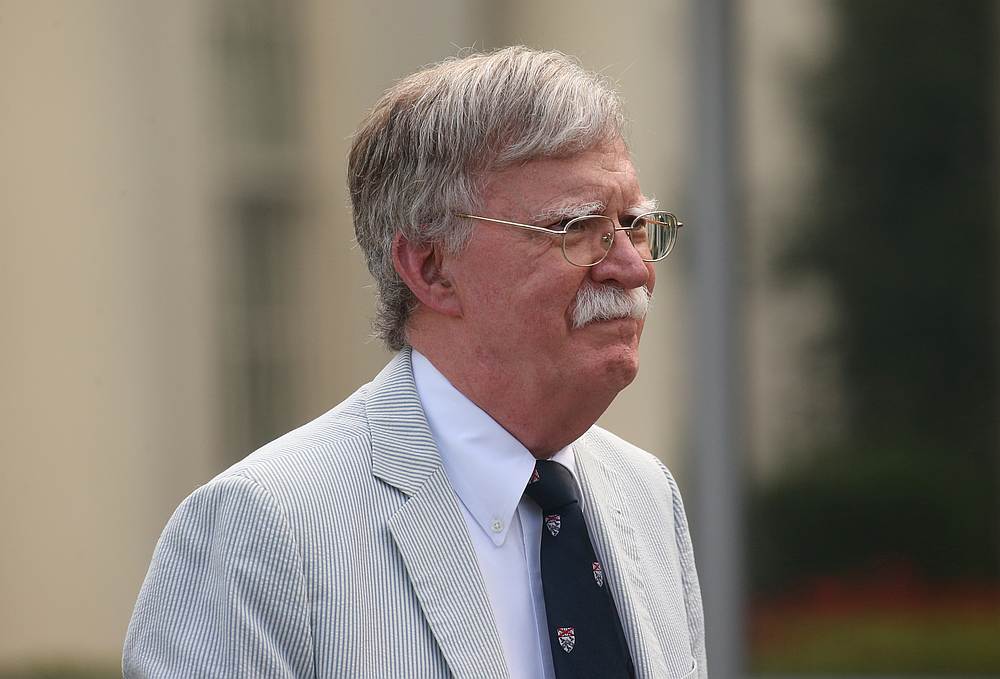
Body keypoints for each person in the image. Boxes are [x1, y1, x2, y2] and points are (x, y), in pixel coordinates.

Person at [123, 46, 705, 679]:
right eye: (578, 229)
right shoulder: (263, 528)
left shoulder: (644, 494)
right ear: (431, 269)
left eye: (635, 224)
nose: (631, 267)